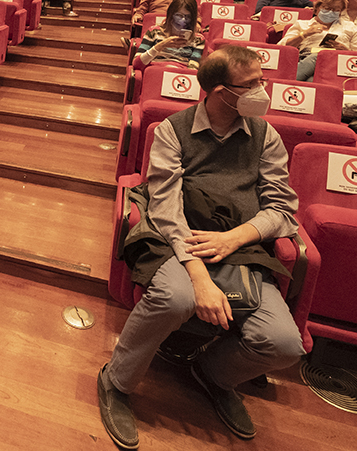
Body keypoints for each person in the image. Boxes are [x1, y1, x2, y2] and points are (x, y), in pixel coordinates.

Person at [97, 46, 304, 448]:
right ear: (219, 91)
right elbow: (166, 206)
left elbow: (282, 208)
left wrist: (234, 238)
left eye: (262, 81)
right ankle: (116, 380)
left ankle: (211, 373)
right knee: (177, 299)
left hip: (238, 241)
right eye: (252, 84)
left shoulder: (266, 135)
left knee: (283, 344)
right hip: (178, 236)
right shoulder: (174, 130)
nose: (262, 90)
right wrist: (198, 276)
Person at [280, 0, 357, 81]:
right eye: (327, 8)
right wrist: (305, 34)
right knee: (312, 78)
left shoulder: (350, 27)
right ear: (317, 8)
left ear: (340, 12)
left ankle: (286, 82)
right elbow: (283, 48)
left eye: (335, 10)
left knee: (321, 56)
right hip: (306, 60)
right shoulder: (302, 24)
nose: (330, 12)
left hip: (336, 63)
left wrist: (346, 51)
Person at [133, 0, 205, 69]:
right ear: (171, 15)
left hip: (180, 76)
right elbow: (136, 64)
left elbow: (193, 68)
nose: (183, 20)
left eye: (188, 17)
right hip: (155, 73)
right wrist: (161, 46)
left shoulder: (198, 39)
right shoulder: (154, 32)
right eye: (179, 15)